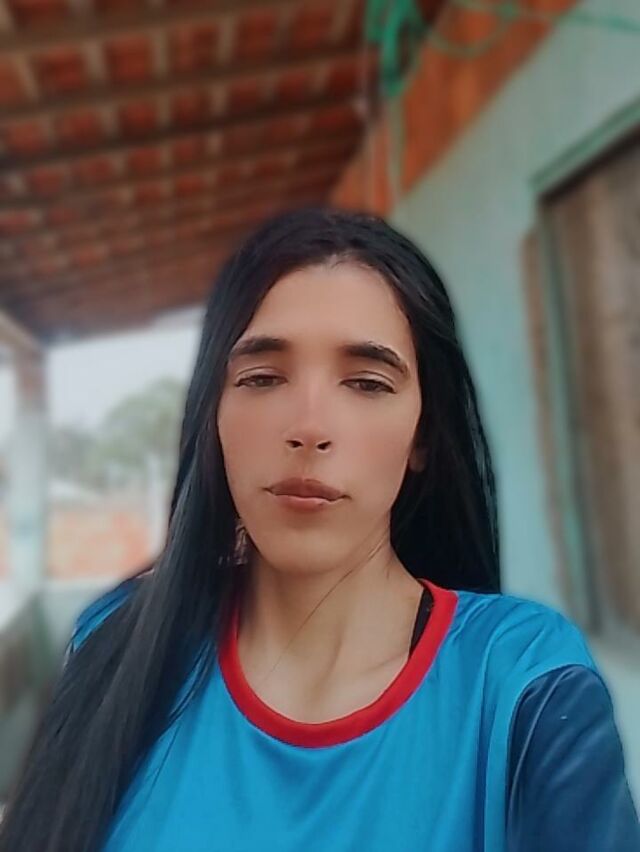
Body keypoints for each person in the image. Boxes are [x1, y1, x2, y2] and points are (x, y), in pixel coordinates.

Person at [1, 206, 638, 852]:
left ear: (423, 435)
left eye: (366, 382)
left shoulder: (522, 683)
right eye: (261, 377)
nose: (308, 427)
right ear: (213, 414)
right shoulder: (116, 642)